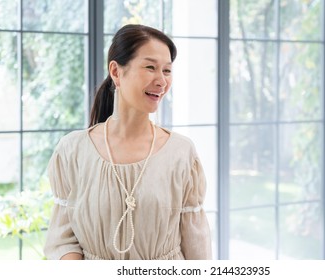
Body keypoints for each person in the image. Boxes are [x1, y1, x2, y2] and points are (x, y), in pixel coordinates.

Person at [43, 24, 212, 260]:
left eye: (167, 71)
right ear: (116, 71)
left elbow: (197, 247)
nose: (161, 81)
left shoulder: (181, 152)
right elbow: (62, 240)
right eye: (150, 67)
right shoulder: (73, 150)